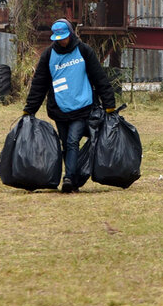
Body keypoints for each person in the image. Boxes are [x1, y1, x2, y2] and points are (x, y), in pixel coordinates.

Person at [23, 18, 116, 192]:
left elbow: (99, 77)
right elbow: (39, 84)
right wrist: (29, 109)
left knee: (73, 141)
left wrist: (109, 104)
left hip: (82, 107)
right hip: (60, 109)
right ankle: (73, 180)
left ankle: (68, 178)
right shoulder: (48, 55)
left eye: (64, 37)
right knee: (65, 143)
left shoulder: (83, 51)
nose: (62, 41)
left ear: (71, 34)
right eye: (58, 38)